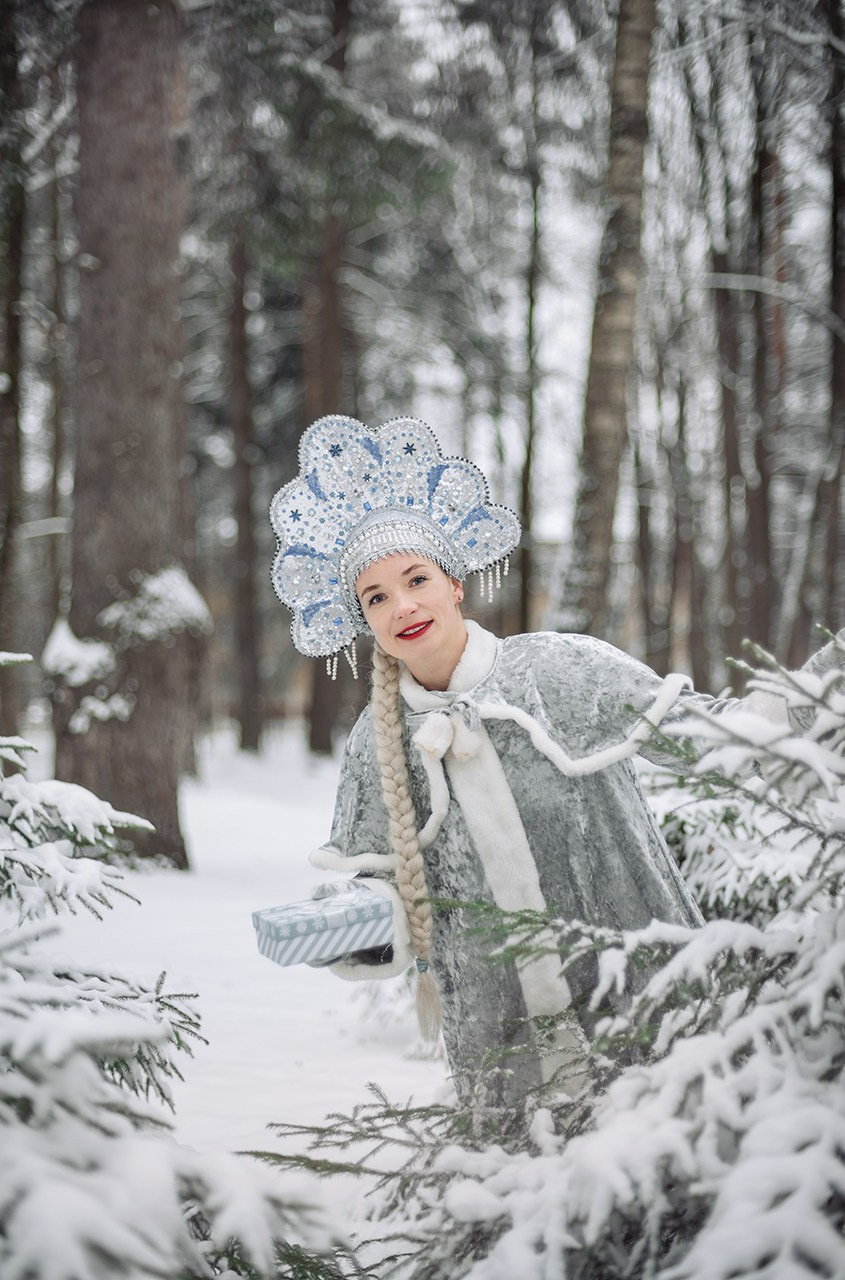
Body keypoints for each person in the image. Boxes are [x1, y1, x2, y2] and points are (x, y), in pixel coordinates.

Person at [268, 413, 818, 1108]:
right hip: (501, 1056)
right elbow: (385, 888)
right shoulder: (372, 743)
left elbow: (716, 739)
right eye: (376, 597)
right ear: (363, 619)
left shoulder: (561, 670)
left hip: (649, 1013)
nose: (401, 605)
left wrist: (816, 695)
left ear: (454, 584)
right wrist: (341, 923)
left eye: (415, 580)